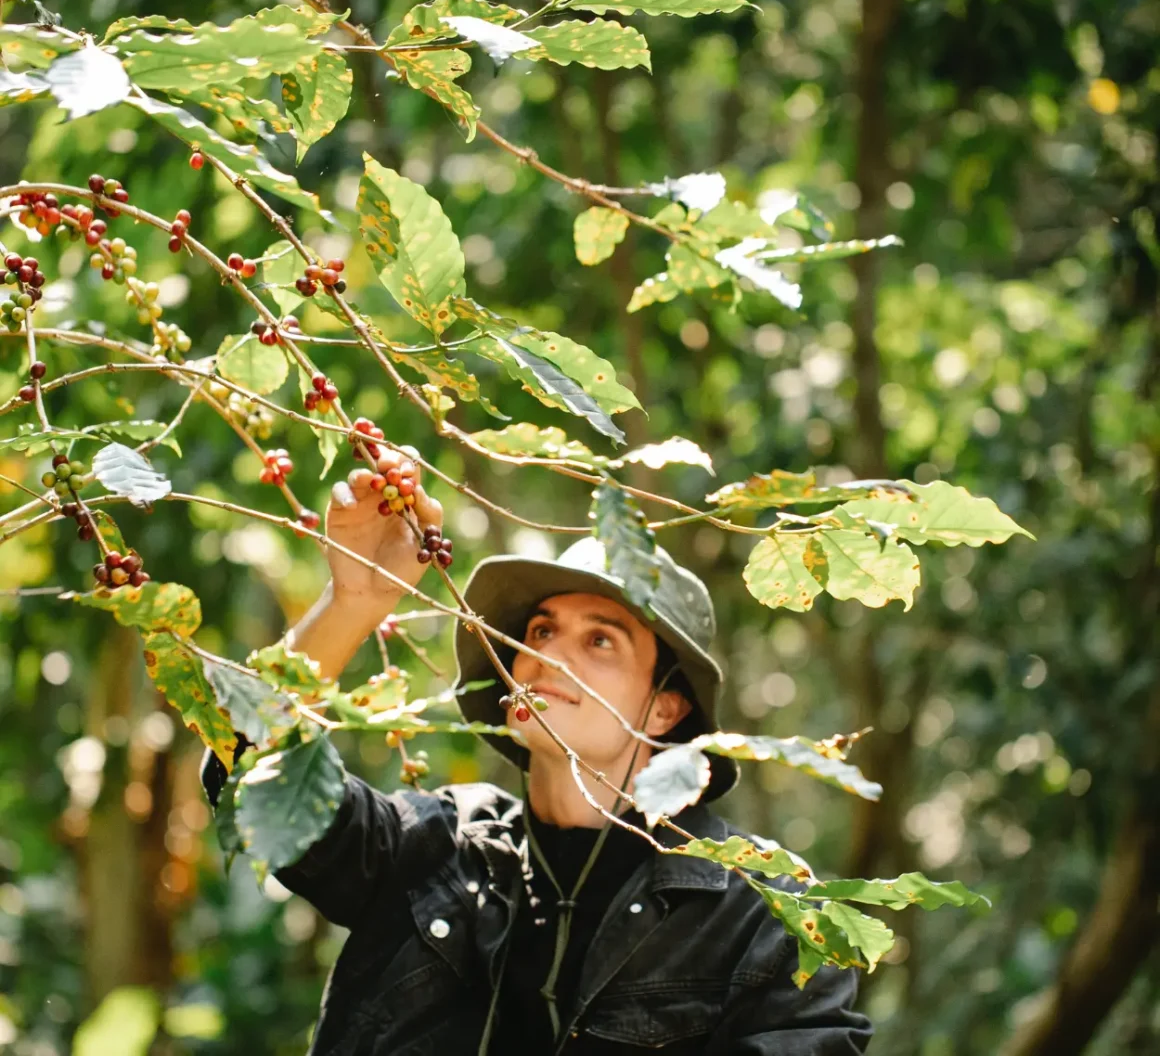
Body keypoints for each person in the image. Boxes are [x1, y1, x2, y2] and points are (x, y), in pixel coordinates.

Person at [201, 446, 873, 1055]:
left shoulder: (764, 918)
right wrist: (353, 600)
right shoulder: (432, 851)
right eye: (541, 630)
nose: (546, 654)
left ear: (666, 706)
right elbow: (247, 765)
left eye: (599, 640)